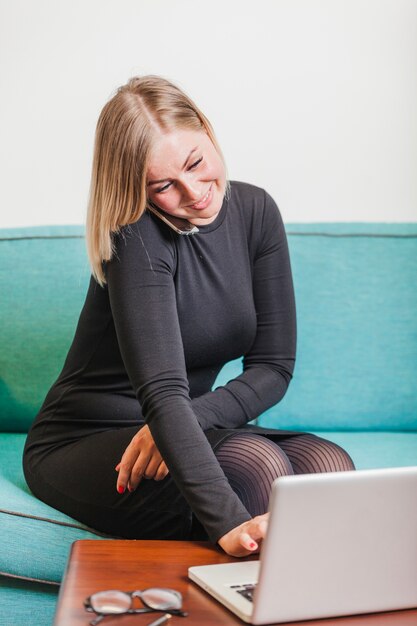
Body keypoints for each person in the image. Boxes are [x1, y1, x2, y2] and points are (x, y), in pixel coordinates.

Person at [23, 75, 354, 557]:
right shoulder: (136, 234)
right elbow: (162, 391)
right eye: (164, 186)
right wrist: (227, 523)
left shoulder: (256, 211)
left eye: (196, 164)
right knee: (257, 465)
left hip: (182, 423)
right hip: (85, 440)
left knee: (328, 466)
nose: (194, 192)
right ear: (138, 189)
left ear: (206, 129)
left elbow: (273, 367)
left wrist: (185, 422)